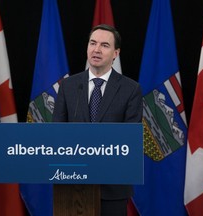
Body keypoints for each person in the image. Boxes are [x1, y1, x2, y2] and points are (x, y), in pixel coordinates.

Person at [52, 24, 143, 216]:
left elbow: (130, 139)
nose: (96, 49)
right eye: (92, 43)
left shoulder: (130, 89)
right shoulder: (68, 85)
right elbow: (56, 132)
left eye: (104, 45)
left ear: (115, 53)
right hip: (72, 184)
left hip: (112, 186)